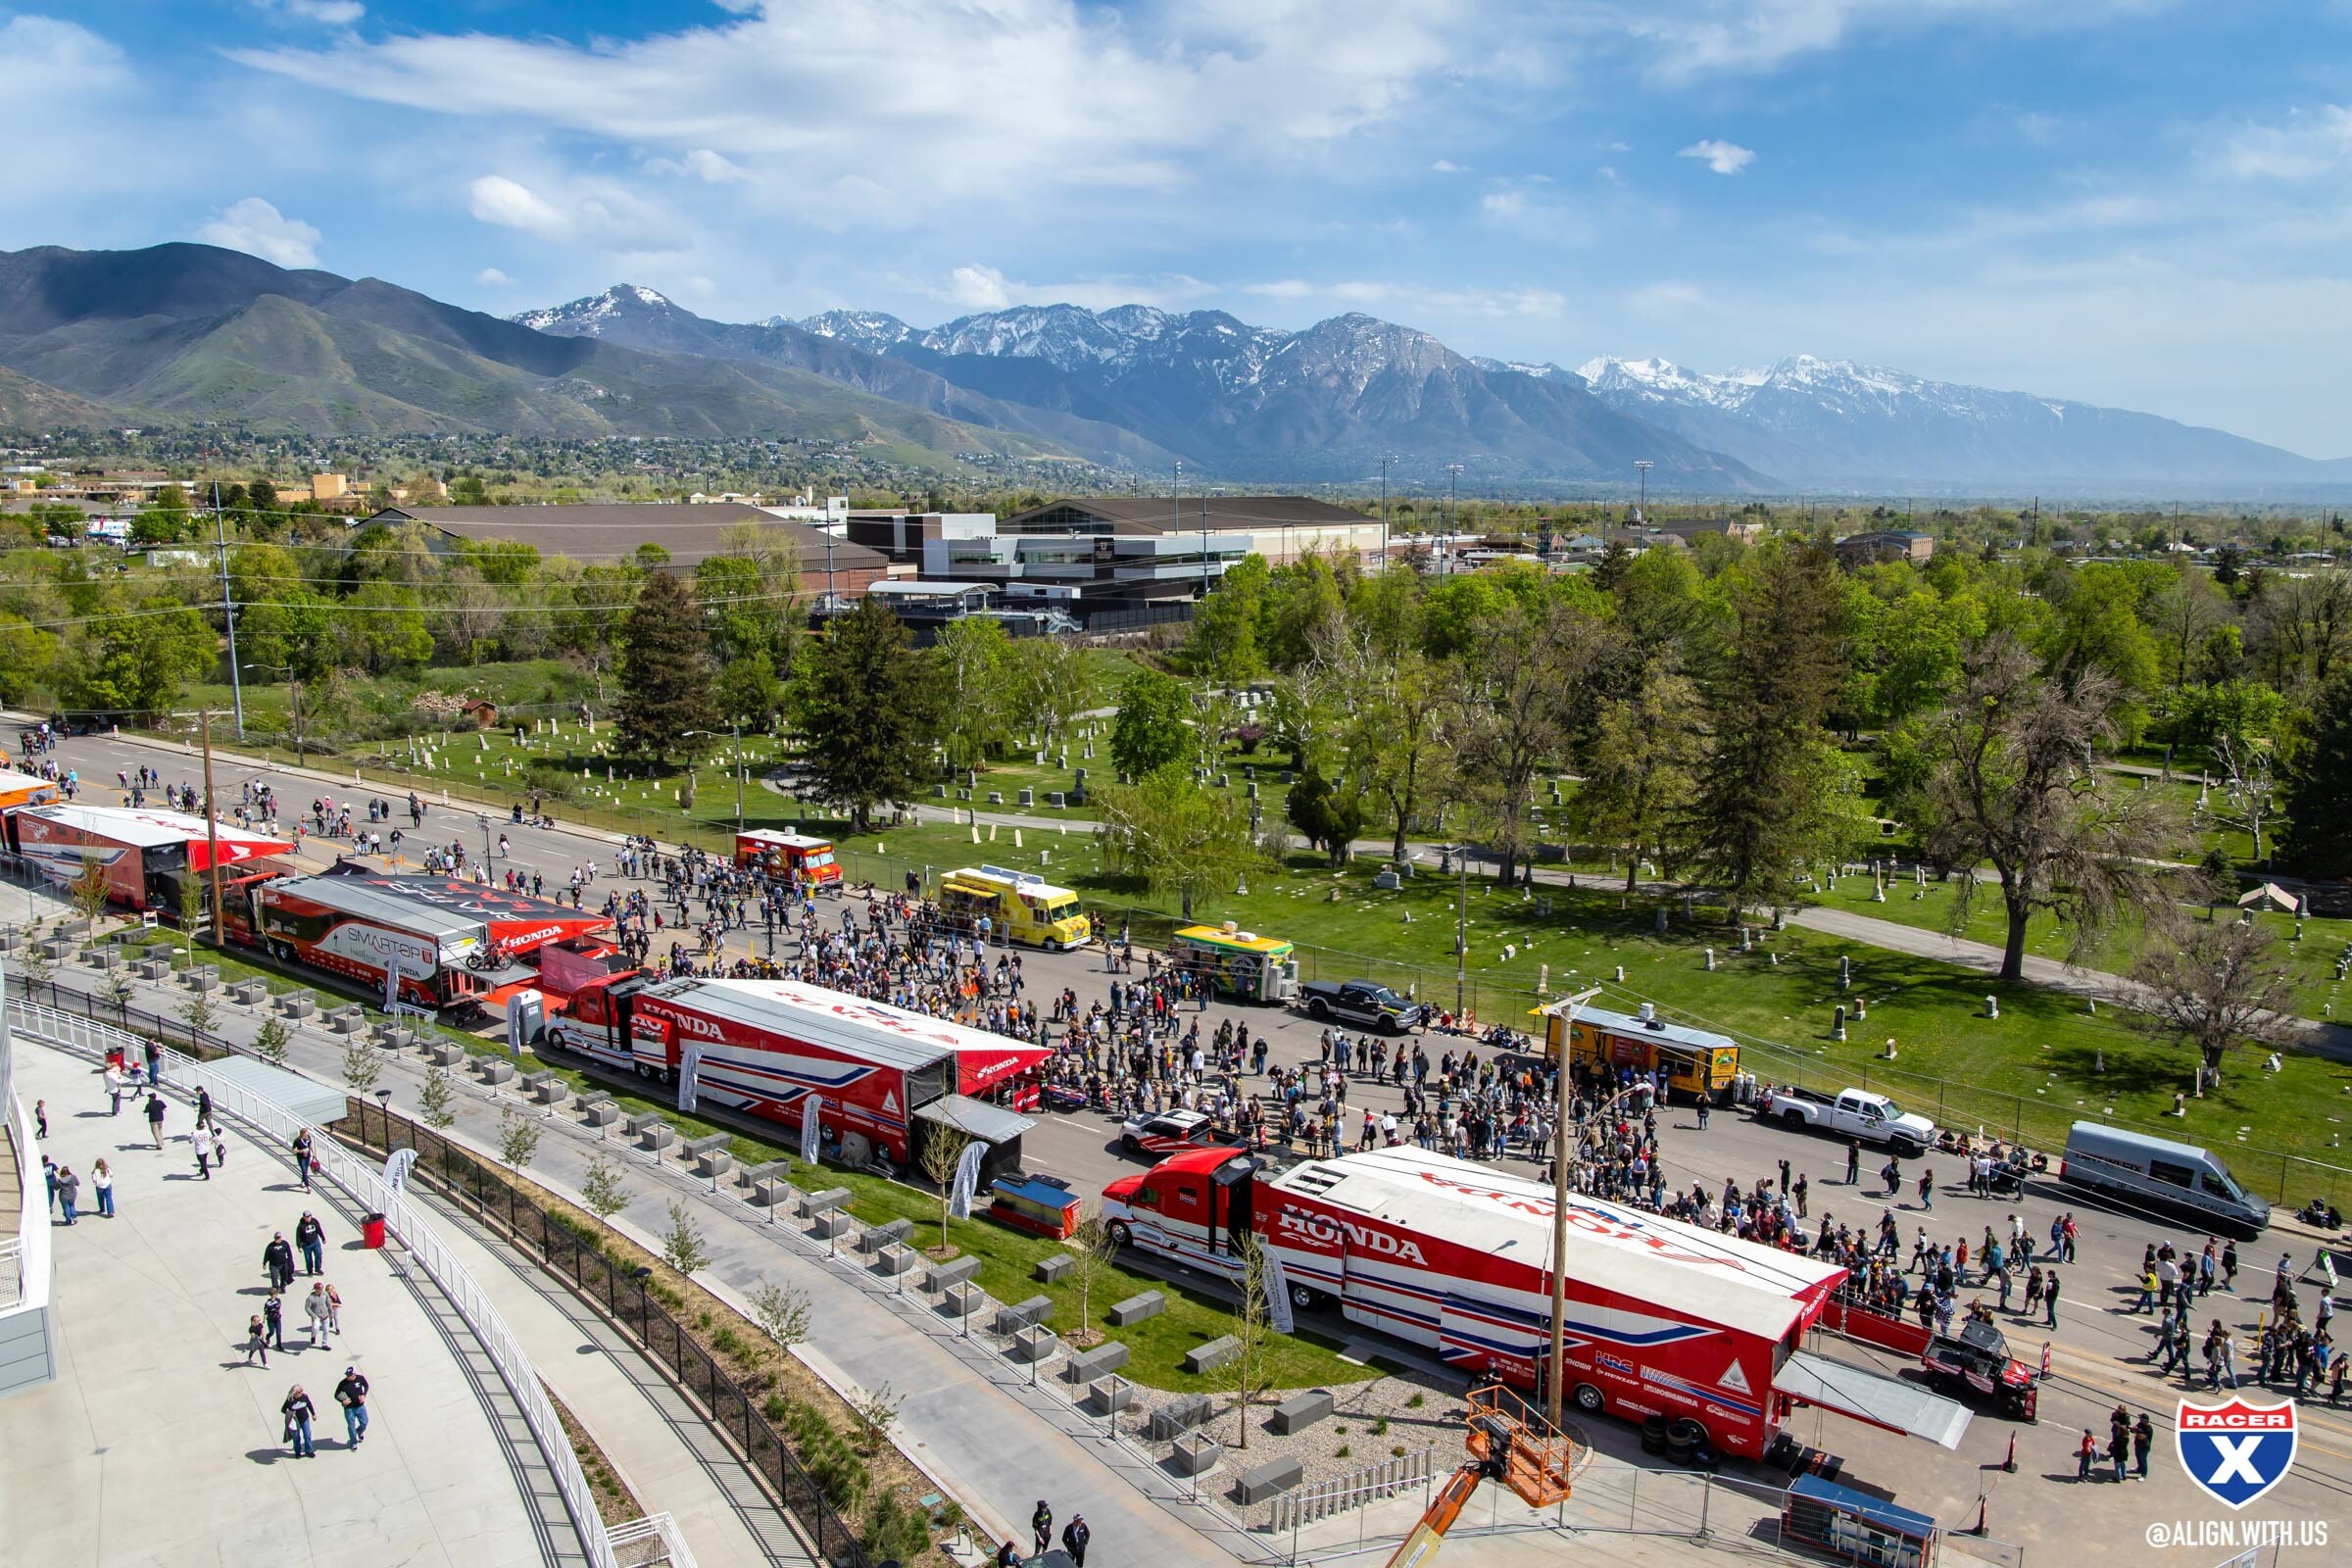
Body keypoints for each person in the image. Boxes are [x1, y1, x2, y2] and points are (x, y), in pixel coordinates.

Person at [334, 1365, 369, 1447]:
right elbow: (336, 1395)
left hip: (360, 1406)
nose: (348, 1376)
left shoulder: (360, 1378)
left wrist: (364, 1395)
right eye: (347, 1375)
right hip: (349, 1409)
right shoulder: (343, 1383)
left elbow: (366, 1385)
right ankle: (353, 1442)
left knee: (364, 1422)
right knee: (351, 1427)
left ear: (354, 1374)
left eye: (349, 1375)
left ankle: (359, 1432)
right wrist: (343, 1401)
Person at [282, 1385, 318, 1458]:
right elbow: (283, 1410)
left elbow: (309, 1404)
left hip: (305, 1419)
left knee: (307, 1435)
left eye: (302, 1390)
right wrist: (290, 1413)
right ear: (294, 1392)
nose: (301, 1392)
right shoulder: (290, 1400)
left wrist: (313, 1414)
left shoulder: (304, 1396)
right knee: (296, 1438)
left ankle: (309, 1451)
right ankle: (297, 1452)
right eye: (299, 1391)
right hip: (295, 1422)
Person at [296, 1212, 326, 1276]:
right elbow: (298, 1237)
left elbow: (319, 1230)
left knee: (319, 1254)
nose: (308, 1218)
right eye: (307, 1217)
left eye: (309, 1216)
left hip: (315, 1242)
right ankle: (310, 1271)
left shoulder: (314, 1221)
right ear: (304, 1217)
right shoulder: (301, 1226)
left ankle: (318, 1269)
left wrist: (323, 1238)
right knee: (308, 1258)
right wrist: (299, 1246)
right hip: (306, 1244)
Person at [305, 1283, 333, 1348]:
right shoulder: (310, 1298)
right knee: (315, 1329)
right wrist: (312, 1315)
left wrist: (331, 1312)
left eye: (321, 1289)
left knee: (326, 1330)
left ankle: (324, 1344)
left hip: (325, 1315)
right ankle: (313, 1336)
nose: (321, 1290)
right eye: (319, 1289)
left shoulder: (325, 1294)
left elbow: (328, 1303)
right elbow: (307, 1308)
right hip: (316, 1316)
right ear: (315, 1289)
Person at [2132, 1412, 2154, 1478]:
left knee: (2143, 1460)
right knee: (2138, 1457)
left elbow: (2141, 1436)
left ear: (2145, 1420)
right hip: (2138, 1444)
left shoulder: (2149, 1428)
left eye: (2141, 1418)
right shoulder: (2140, 1424)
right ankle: (2139, 1469)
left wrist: (2137, 1431)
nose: (2140, 1419)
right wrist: (2135, 1430)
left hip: (2144, 1447)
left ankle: (2144, 1474)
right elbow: (2134, 1430)